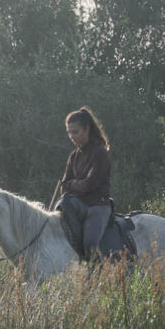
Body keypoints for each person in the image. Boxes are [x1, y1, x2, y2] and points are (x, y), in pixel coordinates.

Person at [59, 106, 111, 261]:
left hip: (97, 206)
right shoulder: (73, 156)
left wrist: (72, 184)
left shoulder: (100, 152)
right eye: (69, 132)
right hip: (77, 204)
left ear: (87, 129)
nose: (71, 136)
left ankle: (96, 274)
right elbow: (63, 185)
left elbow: (90, 185)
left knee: (89, 244)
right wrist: (73, 185)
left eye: (75, 132)